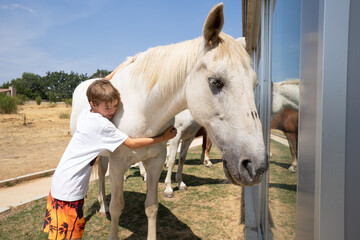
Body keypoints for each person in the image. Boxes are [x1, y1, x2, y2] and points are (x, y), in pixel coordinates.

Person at [43, 79, 177, 240]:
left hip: (59, 184)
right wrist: (163, 137)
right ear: (94, 104)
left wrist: (115, 73)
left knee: (59, 234)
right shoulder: (103, 125)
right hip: (70, 191)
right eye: (107, 107)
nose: (112, 111)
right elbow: (132, 144)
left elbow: (99, 86)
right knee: (70, 236)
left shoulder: (87, 112)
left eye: (115, 105)